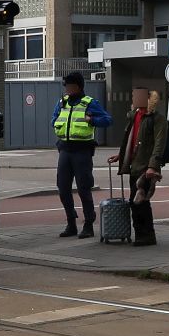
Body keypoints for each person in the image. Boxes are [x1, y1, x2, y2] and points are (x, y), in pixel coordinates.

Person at [51, 71, 112, 238]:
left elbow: (108, 120)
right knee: (63, 188)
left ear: (79, 87)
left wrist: (91, 120)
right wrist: (55, 122)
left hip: (82, 151)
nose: (68, 90)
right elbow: (54, 118)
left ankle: (88, 224)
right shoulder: (62, 102)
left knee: (83, 188)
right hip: (64, 150)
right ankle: (71, 223)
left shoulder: (90, 103)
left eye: (71, 86)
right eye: (66, 87)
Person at [110, 85, 169, 246]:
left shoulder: (157, 119)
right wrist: (121, 156)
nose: (133, 99)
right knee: (135, 201)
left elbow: (159, 144)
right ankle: (142, 234)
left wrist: (153, 166)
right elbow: (131, 140)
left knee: (140, 201)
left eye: (137, 96)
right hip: (135, 165)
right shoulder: (134, 115)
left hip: (146, 167)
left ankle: (147, 235)